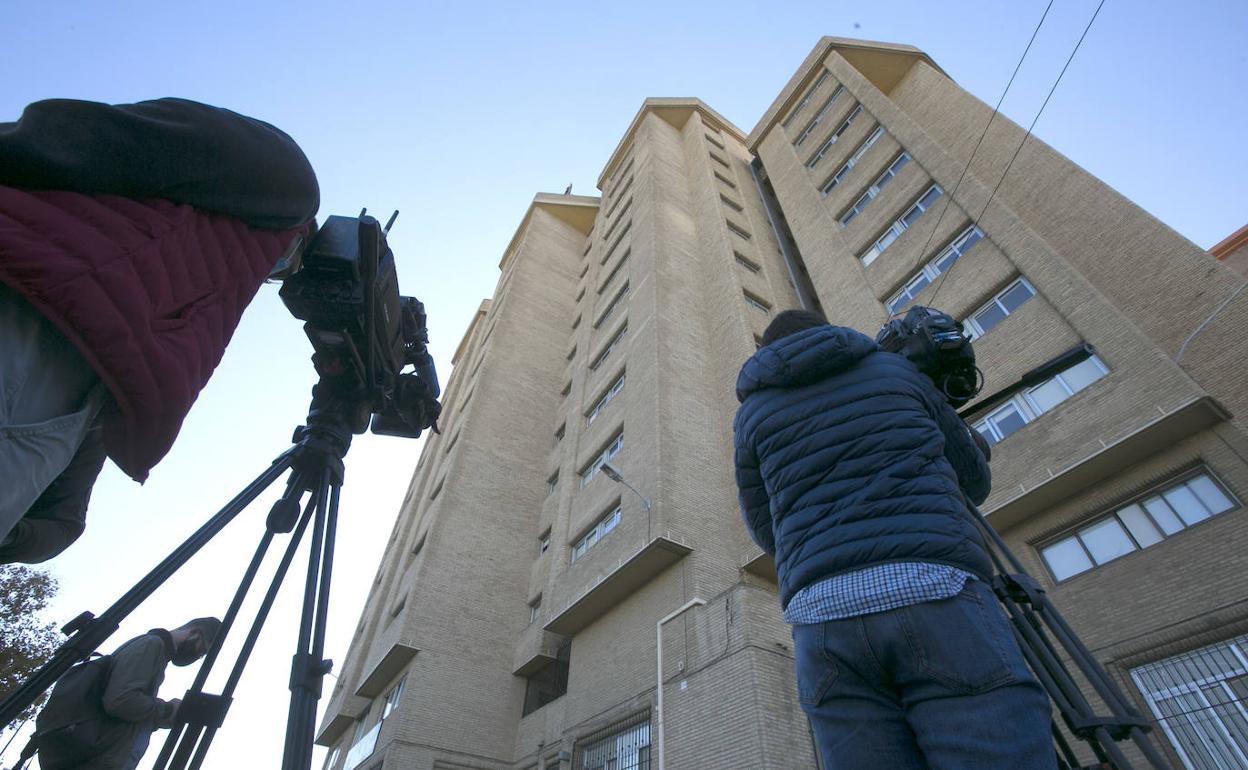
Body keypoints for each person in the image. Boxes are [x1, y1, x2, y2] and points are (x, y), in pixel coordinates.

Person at [0, 98, 319, 564]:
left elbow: (64, 521)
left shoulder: (163, 325)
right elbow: (86, 137)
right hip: (28, 303)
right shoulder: (288, 183)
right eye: (291, 261)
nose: (277, 273)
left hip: (67, 399)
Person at [733, 309, 1054, 769]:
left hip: (822, 617)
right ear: (829, 332)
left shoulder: (751, 416)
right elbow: (972, 479)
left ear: (765, 352)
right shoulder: (894, 371)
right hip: (936, 590)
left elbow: (766, 530)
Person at [28, 617, 222, 770]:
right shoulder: (151, 645)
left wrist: (158, 719)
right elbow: (121, 702)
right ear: (195, 632)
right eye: (202, 649)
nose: (197, 656)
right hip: (96, 761)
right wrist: (167, 709)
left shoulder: (157, 655)